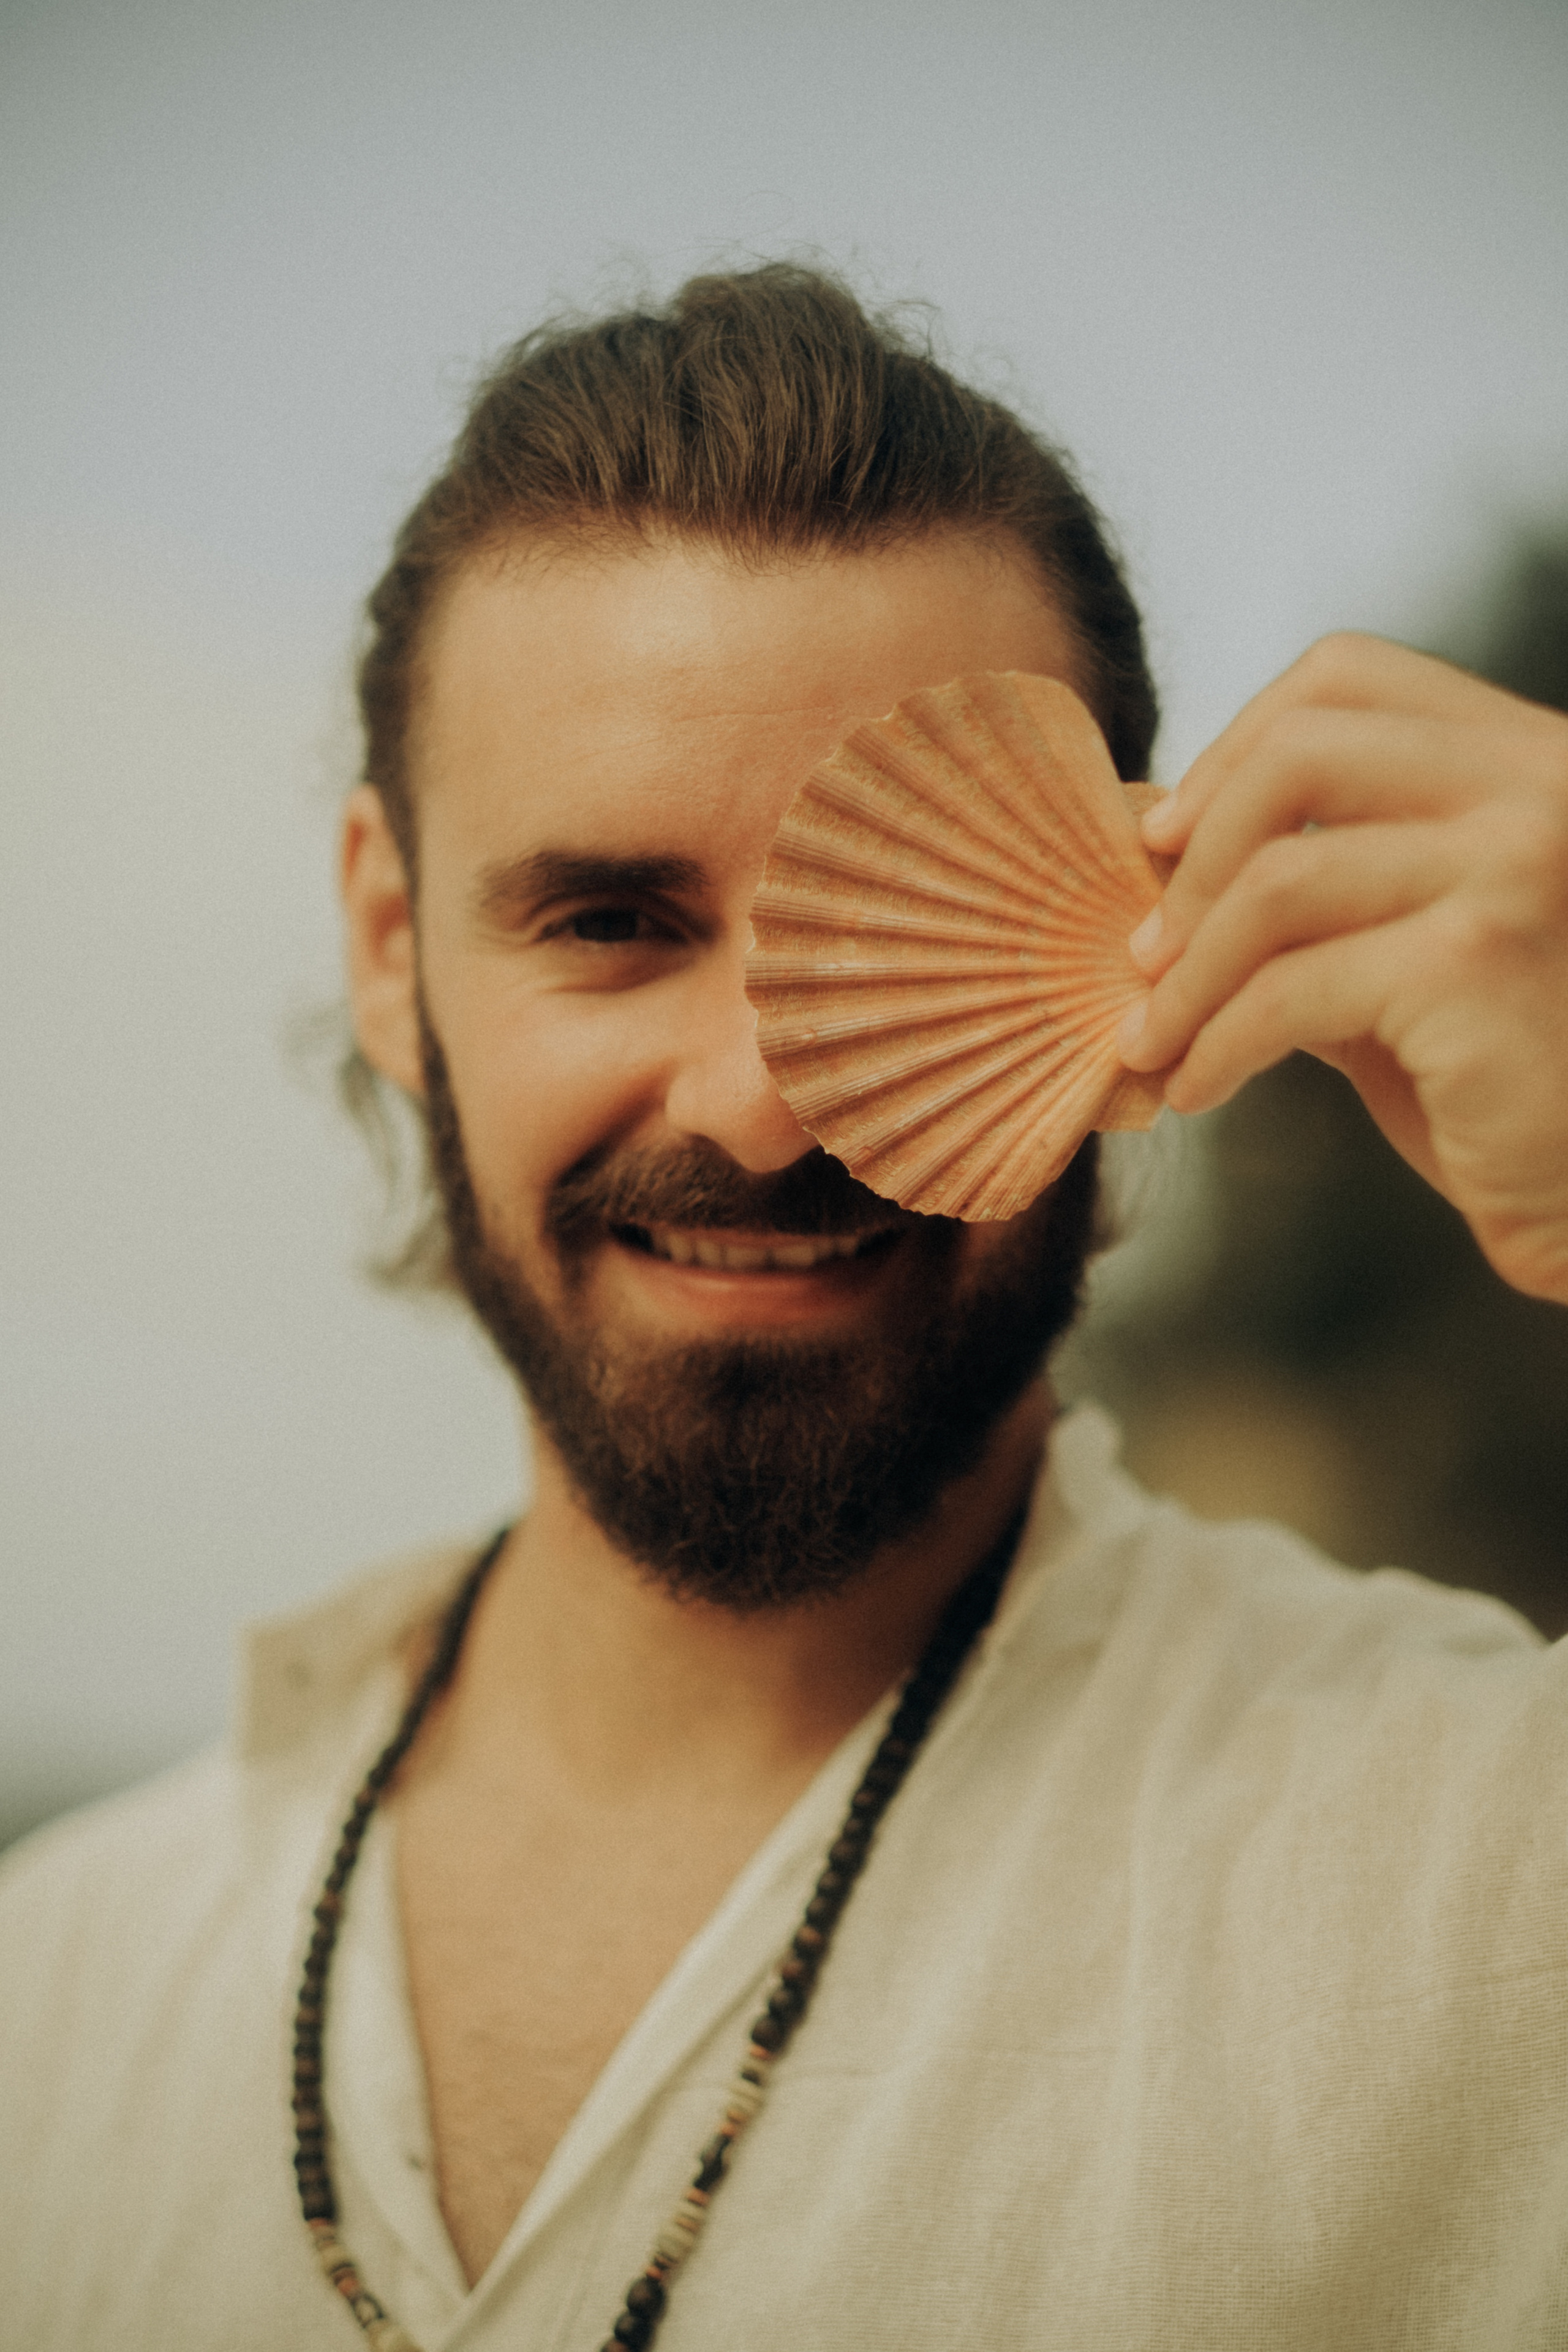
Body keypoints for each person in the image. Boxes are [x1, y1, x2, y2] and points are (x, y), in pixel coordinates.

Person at [2, 265, 1566, 2352]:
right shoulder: (60, 2001)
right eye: (610, 921)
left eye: (916, 934)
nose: (756, 1102)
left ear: (1133, 925)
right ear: (389, 943)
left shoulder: (1491, 1871)